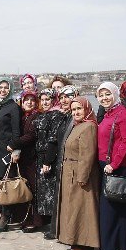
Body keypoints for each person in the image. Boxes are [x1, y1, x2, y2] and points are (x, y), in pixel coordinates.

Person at [97, 82, 126, 250]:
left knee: (114, 210)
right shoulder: (108, 114)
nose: (104, 98)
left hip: (116, 168)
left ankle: (113, 248)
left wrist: (114, 164)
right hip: (105, 165)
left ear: (115, 94)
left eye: (107, 94)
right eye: (101, 95)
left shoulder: (123, 115)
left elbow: (125, 142)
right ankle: (114, 245)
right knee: (111, 209)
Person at [56, 97, 99, 250]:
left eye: (79, 109)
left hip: (80, 174)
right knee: (74, 208)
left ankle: (85, 242)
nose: (76, 112)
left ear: (87, 109)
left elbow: (87, 154)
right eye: (73, 110)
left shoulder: (89, 127)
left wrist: (82, 176)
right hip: (70, 172)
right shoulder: (77, 126)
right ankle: (74, 237)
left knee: (83, 208)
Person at [0, 77, 22, 231]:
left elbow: (17, 132)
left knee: (5, 186)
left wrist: (14, 148)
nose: (3, 90)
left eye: (6, 87)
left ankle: (5, 216)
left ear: (10, 90)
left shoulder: (13, 107)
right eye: (0, 87)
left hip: (6, 153)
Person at [33, 88, 68, 238]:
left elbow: (53, 140)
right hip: (40, 157)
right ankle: (51, 225)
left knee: (52, 194)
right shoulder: (44, 115)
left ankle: (55, 229)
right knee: (45, 193)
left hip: (49, 158)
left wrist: (48, 161)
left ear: (54, 100)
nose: (45, 102)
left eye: (48, 99)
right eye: (43, 99)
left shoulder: (57, 115)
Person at [48, 85, 78, 240]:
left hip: (73, 164)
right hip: (61, 162)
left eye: (69, 96)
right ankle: (58, 230)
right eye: (62, 97)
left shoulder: (78, 116)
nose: (65, 100)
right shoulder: (64, 116)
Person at [9, 90, 41, 232]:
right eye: (26, 100)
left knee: (32, 189)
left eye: (32, 100)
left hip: (31, 158)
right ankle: (21, 218)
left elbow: (31, 135)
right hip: (21, 158)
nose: (29, 102)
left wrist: (14, 144)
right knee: (22, 188)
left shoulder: (36, 116)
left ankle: (34, 220)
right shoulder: (22, 116)